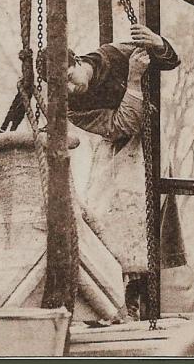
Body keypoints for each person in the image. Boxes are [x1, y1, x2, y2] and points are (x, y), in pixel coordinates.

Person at [64, 23, 183, 320]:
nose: (69, 88)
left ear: (76, 62)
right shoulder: (70, 106)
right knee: (104, 218)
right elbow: (120, 126)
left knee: (144, 216)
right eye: (59, 88)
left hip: (148, 144)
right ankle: (121, 297)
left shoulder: (111, 55)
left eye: (68, 77)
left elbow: (168, 61)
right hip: (115, 149)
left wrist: (158, 43)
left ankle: (143, 298)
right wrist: (133, 80)